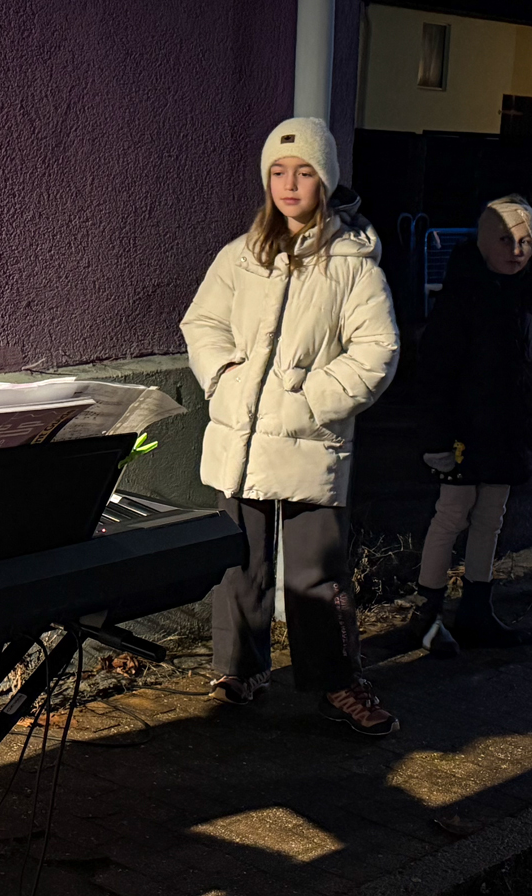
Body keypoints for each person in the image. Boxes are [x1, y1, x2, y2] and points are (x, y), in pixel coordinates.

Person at [180, 118, 401, 735]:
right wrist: (226, 377)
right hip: (238, 442)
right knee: (239, 562)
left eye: (304, 171)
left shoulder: (354, 266)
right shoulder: (239, 256)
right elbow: (202, 324)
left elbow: (377, 351)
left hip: (310, 444)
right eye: (278, 171)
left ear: (325, 179)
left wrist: (309, 404)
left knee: (315, 577)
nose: (289, 183)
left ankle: (336, 682)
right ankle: (239, 669)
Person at [412, 196, 532, 656]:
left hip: (508, 433)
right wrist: (435, 439)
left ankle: (476, 605)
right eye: (505, 239)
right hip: (463, 434)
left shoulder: (531, 296)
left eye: (525, 240)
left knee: (491, 520)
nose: (516, 249)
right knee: (451, 515)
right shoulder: (460, 297)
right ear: (483, 241)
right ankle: (427, 612)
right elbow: (434, 375)